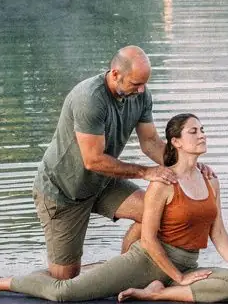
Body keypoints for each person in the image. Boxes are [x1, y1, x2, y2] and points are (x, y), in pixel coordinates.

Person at [0, 113, 228, 304]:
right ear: (176, 141)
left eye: (203, 129)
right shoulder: (162, 184)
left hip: (187, 263)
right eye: (194, 131)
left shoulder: (210, 180)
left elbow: (218, 231)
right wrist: (179, 276)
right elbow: (147, 239)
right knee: (63, 292)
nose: (202, 135)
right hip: (150, 260)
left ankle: (157, 292)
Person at [30, 46, 197, 282]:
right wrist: (145, 172)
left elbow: (150, 142)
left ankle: (124, 271)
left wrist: (188, 168)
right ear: (115, 73)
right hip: (64, 192)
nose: (141, 90)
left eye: (144, 84)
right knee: (64, 280)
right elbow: (93, 160)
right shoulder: (90, 99)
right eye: (135, 83)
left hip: (103, 183)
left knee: (158, 211)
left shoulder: (141, 94)